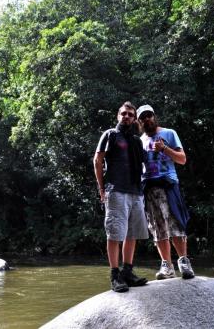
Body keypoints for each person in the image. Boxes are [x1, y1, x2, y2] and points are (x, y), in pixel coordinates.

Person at [93, 101, 149, 292]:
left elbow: (144, 165)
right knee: (115, 233)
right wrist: (102, 188)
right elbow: (97, 161)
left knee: (132, 234)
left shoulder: (136, 141)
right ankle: (115, 275)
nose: (126, 116)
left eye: (130, 115)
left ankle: (128, 272)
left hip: (135, 191)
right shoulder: (110, 135)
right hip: (116, 189)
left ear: (134, 119)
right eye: (123, 113)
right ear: (118, 116)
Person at [137, 104, 195, 279]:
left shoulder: (169, 133)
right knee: (158, 227)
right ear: (139, 122)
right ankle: (167, 266)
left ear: (155, 117)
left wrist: (164, 149)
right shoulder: (139, 141)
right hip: (149, 187)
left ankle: (184, 262)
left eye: (149, 116)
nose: (147, 119)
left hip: (169, 185)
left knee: (176, 222)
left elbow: (182, 159)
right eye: (143, 117)